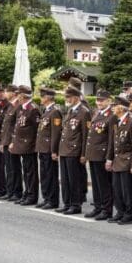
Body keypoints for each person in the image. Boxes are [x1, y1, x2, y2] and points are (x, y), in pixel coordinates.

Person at [57, 84, 89, 215]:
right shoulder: (70, 110)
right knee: (65, 179)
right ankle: (67, 203)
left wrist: (83, 154)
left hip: (74, 151)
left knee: (74, 179)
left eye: (69, 97)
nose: (67, 99)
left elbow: (86, 135)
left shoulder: (84, 112)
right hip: (65, 150)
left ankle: (76, 204)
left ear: (76, 98)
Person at [84, 90, 115, 220]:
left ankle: (106, 209)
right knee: (96, 184)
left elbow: (111, 139)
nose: (99, 102)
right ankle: (98, 207)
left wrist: (109, 157)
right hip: (93, 154)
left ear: (109, 101)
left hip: (102, 155)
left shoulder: (111, 116)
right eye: (97, 100)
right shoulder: (97, 113)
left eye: (102, 100)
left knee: (104, 184)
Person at [107, 95, 132, 224]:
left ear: (121, 108)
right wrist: (109, 159)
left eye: (115, 106)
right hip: (117, 160)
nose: (113, 108)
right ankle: (120, 211)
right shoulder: (117, 122)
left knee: (127, 190)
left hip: (126, 160)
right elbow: (112, 143)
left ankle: (129, 214)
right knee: (117, 188)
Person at [10, 86, 40, 206]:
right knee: (26, 171)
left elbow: (37, 129)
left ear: (23, 96)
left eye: (19, 95)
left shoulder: (33, 109)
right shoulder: (21, 108)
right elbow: (18, 126)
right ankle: (26, 193)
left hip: (29, 146)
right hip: (21, 145)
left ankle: (32, 196)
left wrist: (33, 144)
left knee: (31, 172)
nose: (17, 97)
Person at [34, 87, 62, 210]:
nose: (41, 99)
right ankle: (46, 198)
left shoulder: (55, 111)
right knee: (44, 175)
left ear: (48, 98)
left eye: (42, 96)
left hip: (49, 149)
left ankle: (52, 200)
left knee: (51, 175)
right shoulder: (46, 111)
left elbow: (56, 133)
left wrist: (54, 150)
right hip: (43, 148)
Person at [0, 86, 22, 201]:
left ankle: (16, 192)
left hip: (12, 142)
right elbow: (6, 126)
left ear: (13, 93)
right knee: (9, 168)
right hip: (6, 141)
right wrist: (3, 142)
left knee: (14, 168)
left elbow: (16, 127)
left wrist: (13, 141)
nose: (5, 93)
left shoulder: (17, 106)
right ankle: (10, 191)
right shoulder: (10, 106)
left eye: (7, 91)